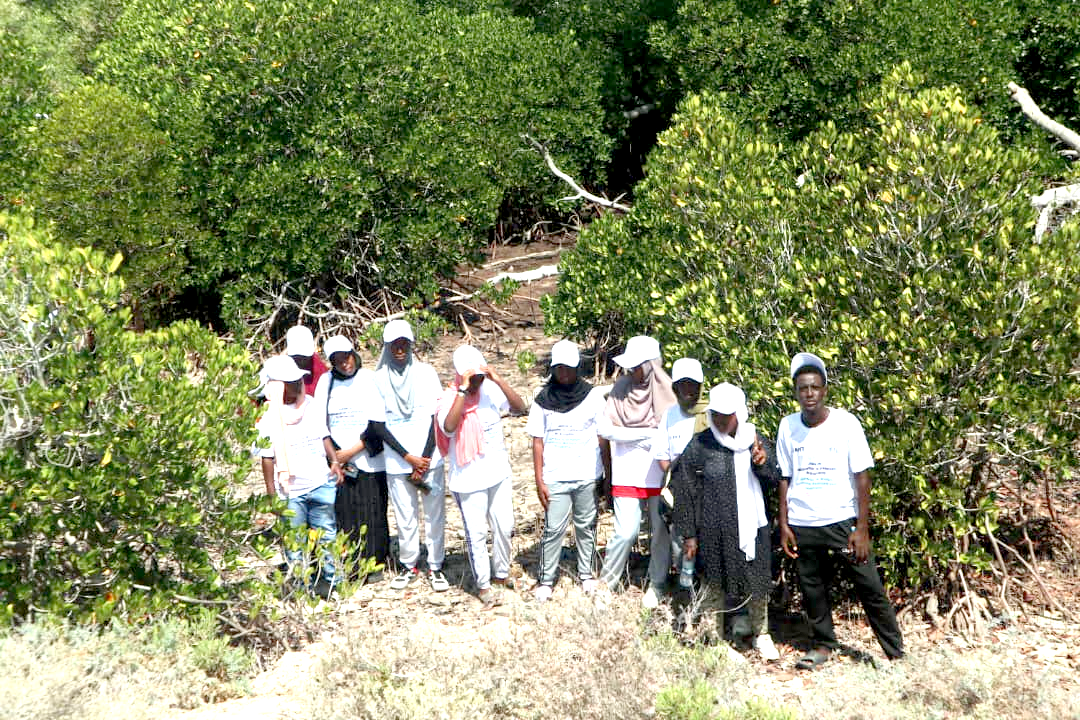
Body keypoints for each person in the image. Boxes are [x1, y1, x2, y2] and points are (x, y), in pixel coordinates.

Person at [776, 352, 904, 669]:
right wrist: (784, 523)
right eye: (803, 388)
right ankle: (823, 645)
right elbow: (785, 477)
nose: (809, 394)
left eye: (814, 387)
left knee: (869, 585)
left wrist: (862, 528)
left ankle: (896, 653)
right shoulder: (787, 426)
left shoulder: (846, 423)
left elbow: (862, 476)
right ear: (795, 392)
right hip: (804, 521)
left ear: (825, 390)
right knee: (812, 588)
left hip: (842, 521)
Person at [672, 383, 781, 661]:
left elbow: (774, 480)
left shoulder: (755, 440)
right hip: (713, 528)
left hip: (752, 527)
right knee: (714, 581)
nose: (720, 420)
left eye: (727, 414)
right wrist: (689, 534)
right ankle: (714, 639)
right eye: (716, 414)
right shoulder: (700, 445)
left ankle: (761, 633)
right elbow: (684, 488)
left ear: (739, 413)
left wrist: (762, 463)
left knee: (757, 581)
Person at [436, 345, 527, 609]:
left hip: (498, 471)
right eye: (471, 377)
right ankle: (484, 585)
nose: (477, 382)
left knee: (504, 526)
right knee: (476, 533)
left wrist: (497, 379)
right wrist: (463, 392)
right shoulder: (448, 399)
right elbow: (449, 426)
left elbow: (520, 407)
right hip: (469, 479)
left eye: (479, 376)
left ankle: (501, 573)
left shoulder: (490, 390)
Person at [597, 335, 677, 607]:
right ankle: (607, 583)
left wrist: (629, 434)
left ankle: (656, 583)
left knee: (660, 532)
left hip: (658, 473)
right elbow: (605, 429)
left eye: (636, 366)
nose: (631, 371)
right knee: (626, 531)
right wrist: (645, 435)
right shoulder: (621, 387)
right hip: (626, 470)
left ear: (651, 365)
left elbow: (669, 433)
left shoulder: (668, 391)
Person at [256, 354, 344, 600]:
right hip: (290, 492)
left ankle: (333, 584)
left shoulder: (311, 404)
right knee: (295, 543)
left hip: (319, 482)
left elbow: (323, 435)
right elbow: (267, 458)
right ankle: (301, 587)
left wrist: (334, 461)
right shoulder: (268, 418)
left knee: (327, 535)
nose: (298, 385)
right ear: (277, 387)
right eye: (292, 382)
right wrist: (272, 495)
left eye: (298, 381)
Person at [374, 320, 450, 592]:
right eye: (394, 344)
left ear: (410, 345)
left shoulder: (426, 373)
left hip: (429, 460)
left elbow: (435, 418)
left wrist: (424, 459)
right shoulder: (377, 379)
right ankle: (409, 565)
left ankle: (436, 565)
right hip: (398, 463)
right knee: (405, 517)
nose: (399, 349)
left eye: (404, 343)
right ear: (386, 346)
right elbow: (378, 425)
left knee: (434, 515)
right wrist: (408, 458)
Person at [527, 340, 606, 602]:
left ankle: (586, 574)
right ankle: (546, 580)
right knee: (553, 529)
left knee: (586, 525)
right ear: (553, 368)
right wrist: (539, 480)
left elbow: (602, 437)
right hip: (555, 475)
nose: (564, 373)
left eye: (568, 367)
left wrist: (606, 474)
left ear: (577, 367)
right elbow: (538, 442)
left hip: (586, 473)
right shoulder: (542, 400)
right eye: (559, 368)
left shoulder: (593, 397)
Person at [312, 335, 395, 582]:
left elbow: (378, 421)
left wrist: (353, 450)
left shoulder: (369, 378)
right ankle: (351, 564)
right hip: (338, 460)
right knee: (345, 511)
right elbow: (320, 423)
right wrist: (336, 456)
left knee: (373, 510)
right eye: (337, 360)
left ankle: (375, 564)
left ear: (354, 354)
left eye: (346, 357)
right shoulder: (325, 382)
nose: (344, 364)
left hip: (368, 456)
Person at [653, 357, 709, 589]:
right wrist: (679, 479)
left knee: (708, 549)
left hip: (709, 492)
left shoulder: (712, 413)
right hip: (680, 493)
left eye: (692, 384)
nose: (688, 390)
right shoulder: (670, 415)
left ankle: (707, 598)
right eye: (682, 385)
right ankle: (688, 596)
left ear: (700, 386)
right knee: (681, 547)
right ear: (675, 388)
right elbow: (661, 455)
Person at [285, 325, 328, 397]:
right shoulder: (282, 367)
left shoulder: (320, 369)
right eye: (297, 356)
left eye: (304, 356)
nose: (301, 360)